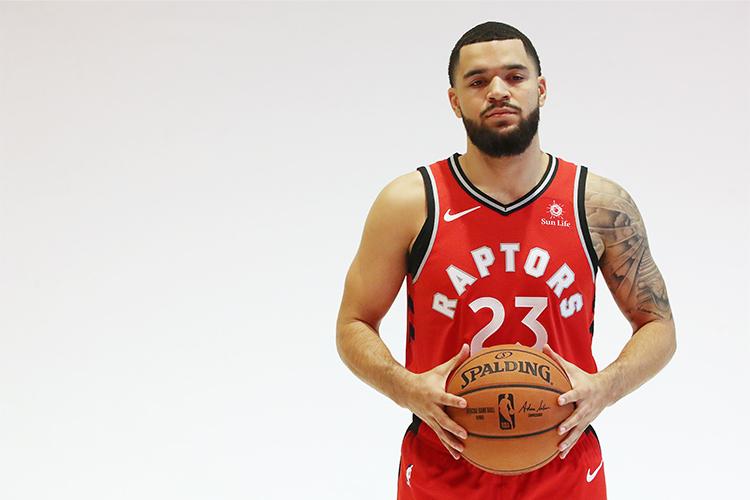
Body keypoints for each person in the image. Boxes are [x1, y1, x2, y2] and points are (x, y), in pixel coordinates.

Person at [335, 21, 676, 499]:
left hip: (564, 466)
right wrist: (404, 387)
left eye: (515, 77)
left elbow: (658, 324)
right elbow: (353, 322)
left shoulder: (596, 203)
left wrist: (606, 387)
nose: (498, 90)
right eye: (477, 81)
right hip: (442, 468)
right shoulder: (411, 202)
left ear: (541, 88)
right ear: (454, 100)